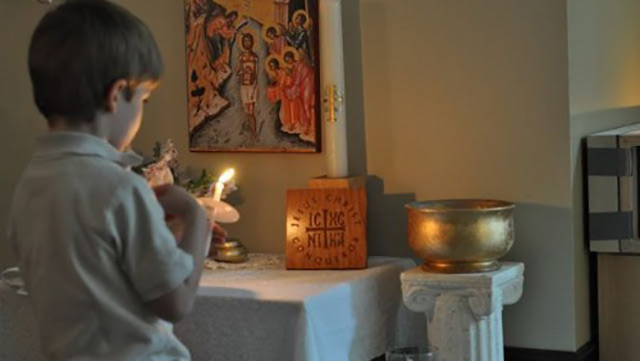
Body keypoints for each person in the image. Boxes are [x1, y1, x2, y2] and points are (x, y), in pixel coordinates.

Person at [6, 1, 215, 360]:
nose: (142, 112)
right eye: (144, 99)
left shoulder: (31, 184)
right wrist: (197, 219)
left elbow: (95, 271)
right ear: (116, 95)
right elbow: (176, 302)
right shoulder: (120, 188)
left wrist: (159, 234)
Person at [237, 33, 259, 139]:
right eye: (245, 41)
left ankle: (254, 132)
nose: (247, 43)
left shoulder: (254, 57)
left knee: (251, 111)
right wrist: (242, 71)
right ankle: (250, 129)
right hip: (243, 86)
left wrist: (251, 72)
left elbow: (256, 74)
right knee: (247, 111)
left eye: (249, 41)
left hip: (252, 86)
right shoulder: (241, 57)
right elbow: (237, 71)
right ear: (242, 43)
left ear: (252, 42)